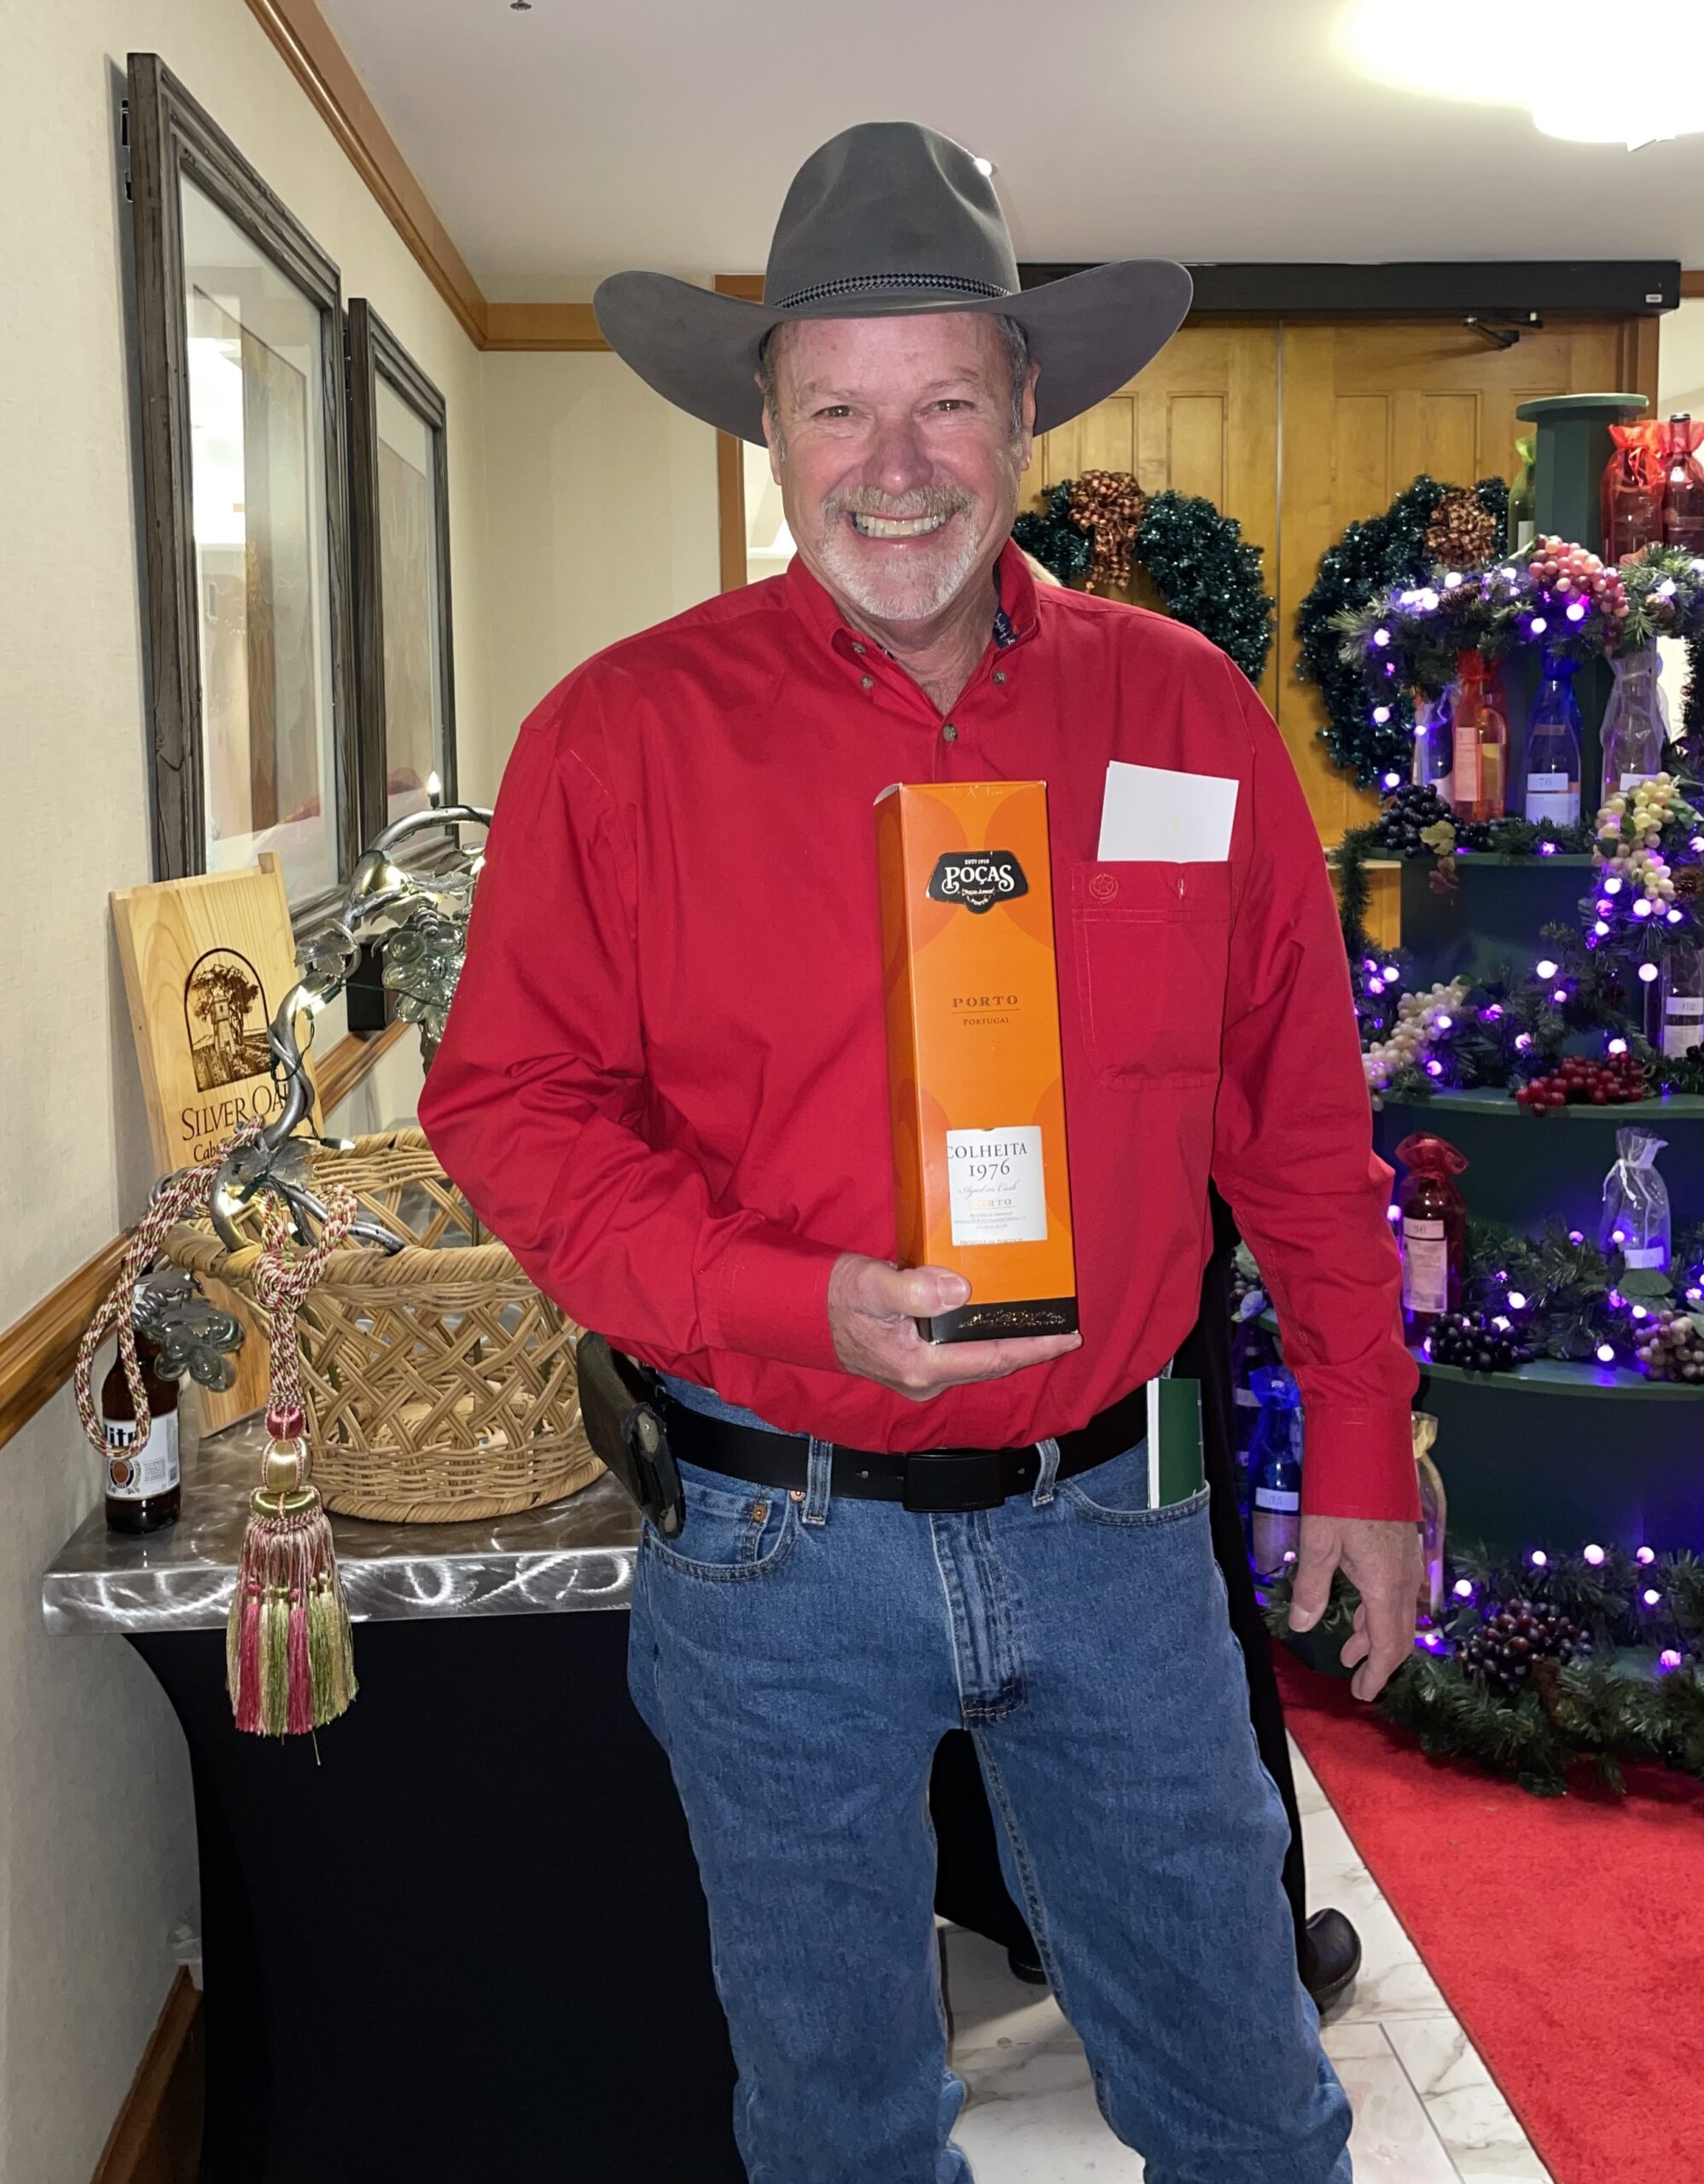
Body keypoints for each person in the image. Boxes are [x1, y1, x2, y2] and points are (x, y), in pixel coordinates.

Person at [421, 121, 1422, 2184]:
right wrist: (794, 1302)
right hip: (776, 1541)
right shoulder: (618, 736)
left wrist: (1357, 1443)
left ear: (1027, 409)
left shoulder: (1190, 718)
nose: (898, 463)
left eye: (947, 397)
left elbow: (1298, 1109)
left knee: (1253, 2105)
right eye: (842, 407)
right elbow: (508, 1105)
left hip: (1123, 1532)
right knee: (843, 2131)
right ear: (772, 431)